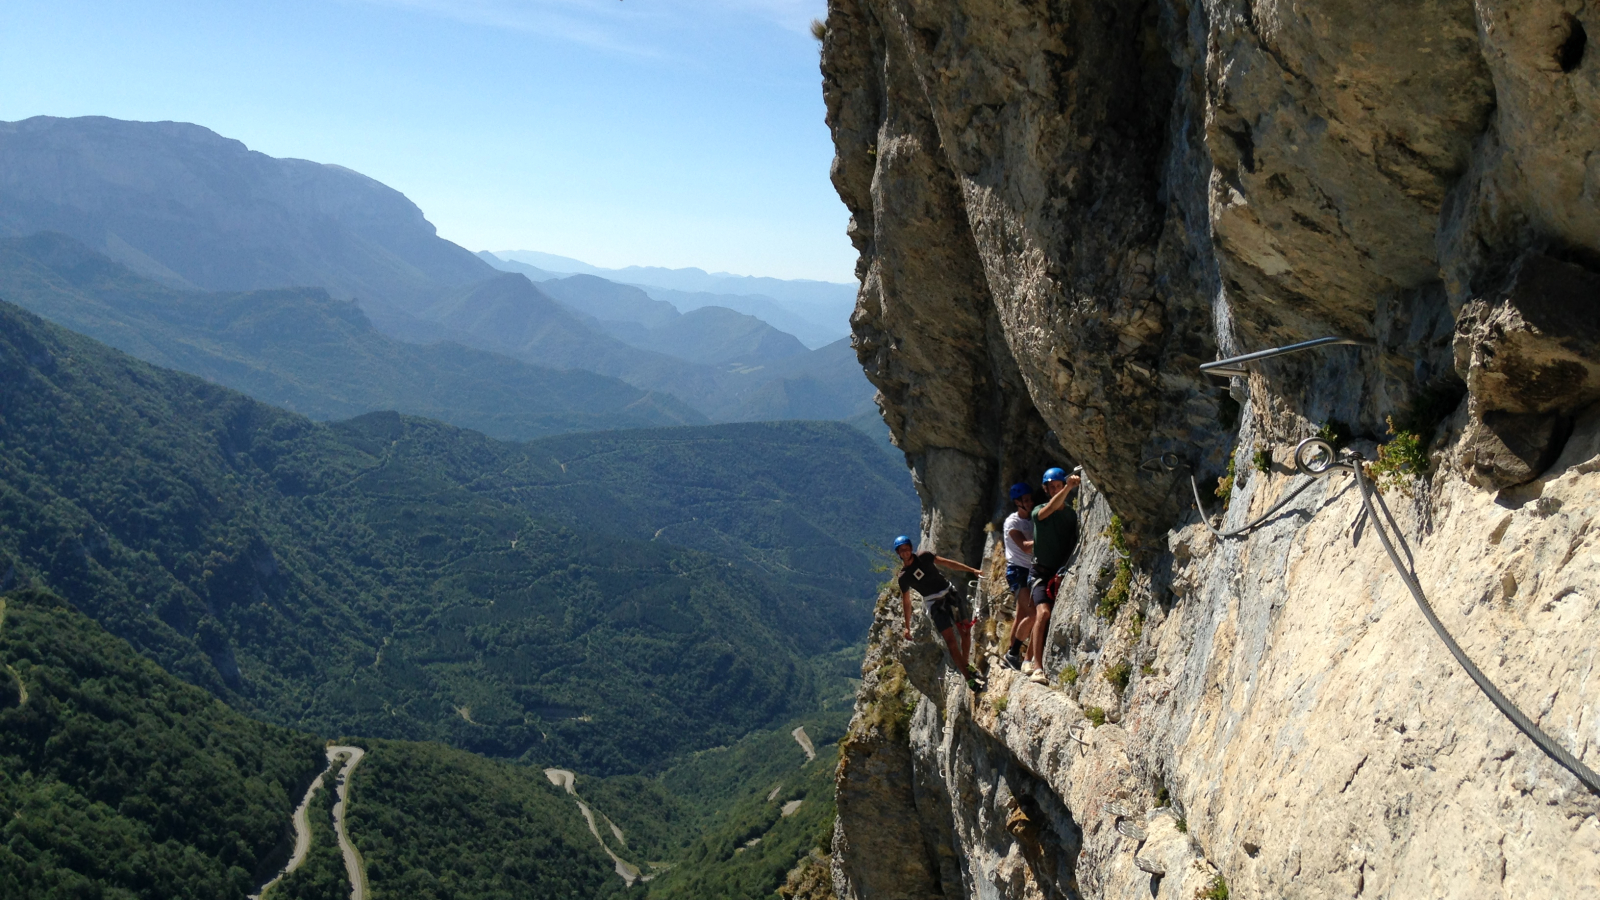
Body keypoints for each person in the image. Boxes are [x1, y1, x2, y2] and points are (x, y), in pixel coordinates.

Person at [894, 535, 983, 689]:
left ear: (911, 548)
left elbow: (947, 563)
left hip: (949, 593)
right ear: (898, 553)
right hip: (934, 604)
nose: (905, 552)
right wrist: (907, 626)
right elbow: (906, 601)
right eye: (901, 550)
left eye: (907, 548)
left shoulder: (924, 557)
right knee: (951, 642)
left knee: (966, 631)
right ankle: (969, 678)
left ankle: (966, 665)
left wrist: (972, 570)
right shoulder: (903, 577)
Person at [1026, 467, 1081, 684]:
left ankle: (1028, 657)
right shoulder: (1038, 511)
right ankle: (1037, 666)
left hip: (1057, 573)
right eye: (1053, 487)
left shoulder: (1070, 515)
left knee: (1048, 616)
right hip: (1039, 572)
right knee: (1044, 614)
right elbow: (1051, 508)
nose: (1056, 490)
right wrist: (1068, 486)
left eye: (1059, 486)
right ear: (1047, 490)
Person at [1001, 483, 1036, 671]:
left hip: (1028, 570)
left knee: (1021, 614)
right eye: (1026, 500)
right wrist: (1046, 537)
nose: (1030, 503)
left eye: (1030, 499)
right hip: (1017, 572)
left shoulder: (1030, 520)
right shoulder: (1012, 523)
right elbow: (1024, 546)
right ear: (1017, 502)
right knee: (1033, 614)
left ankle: (1009, 655)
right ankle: (1013, 654)